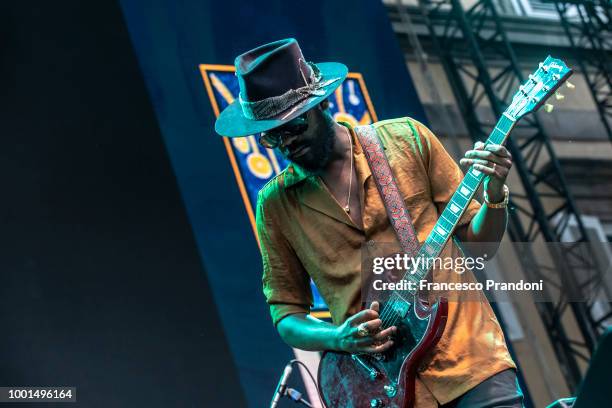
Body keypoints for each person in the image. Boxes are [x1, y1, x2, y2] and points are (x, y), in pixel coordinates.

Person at [215, 38, 523, 408]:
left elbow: (479, 247)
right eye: (271, 136)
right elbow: (286, 314)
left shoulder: (406, 139)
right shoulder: (275, 206)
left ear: (321, 103)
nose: (286, 144)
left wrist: (494, 194)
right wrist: (339, 337)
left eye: (293, 127)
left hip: (471, 362)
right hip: (380, 390)